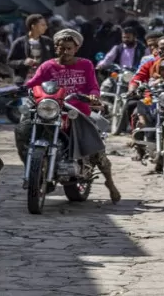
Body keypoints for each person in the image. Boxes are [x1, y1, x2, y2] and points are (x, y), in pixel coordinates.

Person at [23, 29, 120, 202]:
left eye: (69, 48)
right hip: (52, 111)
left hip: (78, 112)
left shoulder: (86, 65)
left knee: (96, 149)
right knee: (23, 130)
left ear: (76, 49)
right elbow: (33, 83)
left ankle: (110, 183)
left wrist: (93, 96)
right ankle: (35, 170)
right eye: (62, 48)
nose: (65, 52)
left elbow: (93, 86)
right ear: (56, 48)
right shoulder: (47, 66)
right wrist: (20, 90)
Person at [128, 37, 164, 160]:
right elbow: (137, 78)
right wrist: (132, 89)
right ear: (157, 49)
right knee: (137, 113)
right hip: (153, 99)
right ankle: (139, 147)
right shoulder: (149, 63)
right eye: (161, 48)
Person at [7, 14, 55, 81]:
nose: (46, 27)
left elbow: (55, 59)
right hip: (25, 79)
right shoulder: (19, 43)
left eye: (46, 25)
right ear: (33, 26)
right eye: (43, 25)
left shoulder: (48, 41)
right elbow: (10, 62)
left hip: (45, 79)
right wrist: (24, 62)